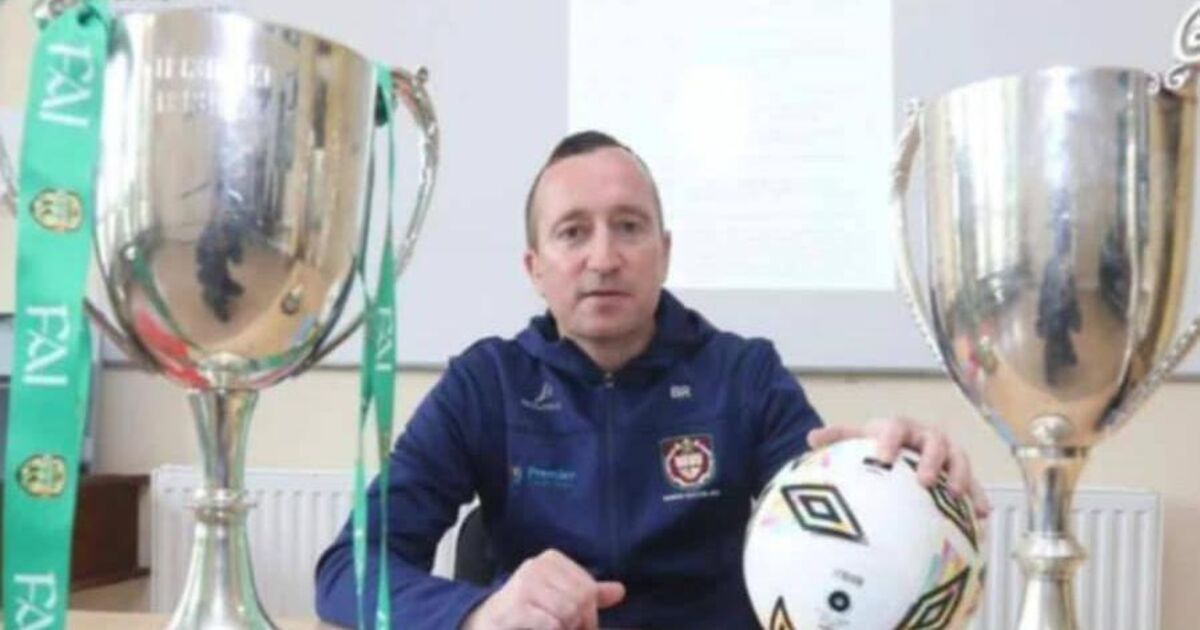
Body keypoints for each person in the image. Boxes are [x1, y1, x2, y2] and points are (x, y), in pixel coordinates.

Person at [314, 131, 990, 629]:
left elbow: (834, 517)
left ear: (664, 253)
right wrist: (477, 613)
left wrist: (895, 481)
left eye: (629, 227)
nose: (604, 257)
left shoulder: (743, 375)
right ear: (535, 268)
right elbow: (347, 570)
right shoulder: (485, 384)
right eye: (572, 232)